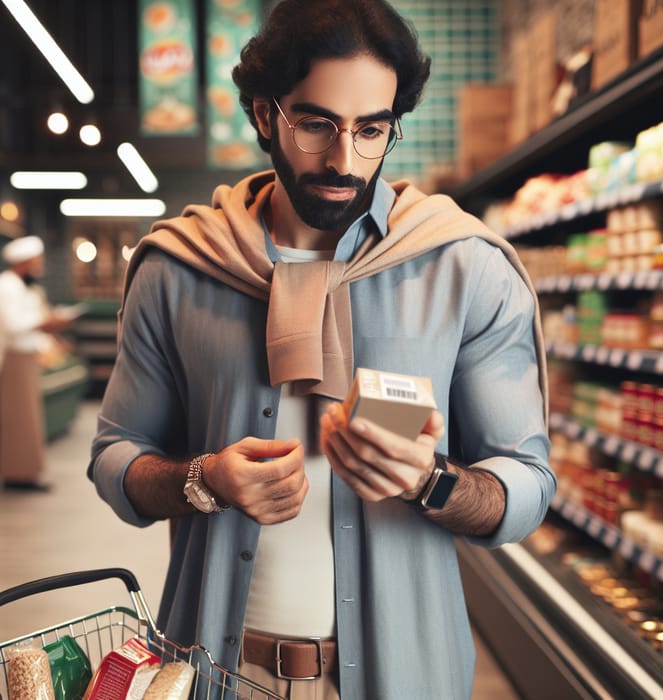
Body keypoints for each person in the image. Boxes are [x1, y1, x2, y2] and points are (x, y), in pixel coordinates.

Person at [89, 1, 555, 697]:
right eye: (316, 124)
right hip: (216, 675)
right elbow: (115, 457)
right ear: (262, 115)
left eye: (372, 130)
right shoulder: (179, 268)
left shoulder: (463, 267)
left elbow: (526, 484)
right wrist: (204, 479)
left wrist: (431, 481)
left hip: (407, 677)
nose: (345, 159)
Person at [0, 235, 73, 491]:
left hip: (27, 357)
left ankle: (26, 471)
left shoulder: (22, 287)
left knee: (28, 418)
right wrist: (46, 324)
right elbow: (13, 326)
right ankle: (18, 473)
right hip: (15, 359)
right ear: (24, 262)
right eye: (36, 261)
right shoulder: (7, 286)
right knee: (19, 419)